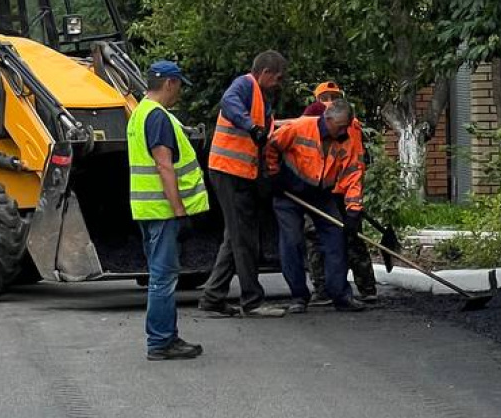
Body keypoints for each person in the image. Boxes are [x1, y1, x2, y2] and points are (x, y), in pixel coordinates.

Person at [128, 60, 210, 361]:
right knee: (163, 278)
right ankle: (161, 342)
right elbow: (164, 165)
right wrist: (179, 209)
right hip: (163, 211)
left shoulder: (138, 113)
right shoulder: (158, 117)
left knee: (159, 276)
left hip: (146, 208)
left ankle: (166, 338)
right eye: (179, 87)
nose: (179, 94)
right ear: (169, 84)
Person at [198, 51, 288, 318]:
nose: (279, 83)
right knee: (244, 238)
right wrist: (251, 126)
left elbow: (264, 140)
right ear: (265, 73)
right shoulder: (245, 85)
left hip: (237, 173)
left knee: (235, 237)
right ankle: (252, 300)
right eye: (278, 78)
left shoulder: (262, 99)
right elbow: (228, 102)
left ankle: (213, 297)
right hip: (229, 172)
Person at [268, 98, 368, 313]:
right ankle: (298, 296)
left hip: (322, 194)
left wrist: (353, 210)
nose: (343, 131)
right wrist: (273, 176)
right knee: (292, 241)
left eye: (346, 127)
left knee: (336, 237)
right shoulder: (300, 128)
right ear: (328, 119)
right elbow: (271, 146)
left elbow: (353, 174)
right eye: (340, 126)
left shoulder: (347, 137)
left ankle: (340, 295)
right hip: (289, 192)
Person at [301, 81, 378, 305]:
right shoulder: (312, 122)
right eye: (325, 96)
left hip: (342, 191)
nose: (329, 100)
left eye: (334, 96)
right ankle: (323, 289)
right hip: (319, 190)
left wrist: (354, 207)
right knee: (315, 238)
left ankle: (366, 287)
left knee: (352, 237)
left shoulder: (350, 126)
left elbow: (355, 168)